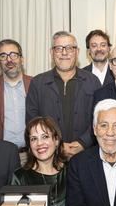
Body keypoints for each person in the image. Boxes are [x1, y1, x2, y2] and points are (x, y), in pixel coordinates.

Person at [26, 30, 101, 160]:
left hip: (85, 155)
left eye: (69, 48)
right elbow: (32, 121)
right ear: (51, 52)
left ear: (77, 52)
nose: (64, 53)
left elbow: (99, 118)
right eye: (59, 48)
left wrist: (83, 142)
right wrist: (56, 144)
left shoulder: (92, 81)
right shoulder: (38, 83)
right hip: (48, 157)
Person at [0, 39, 33, 156]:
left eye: (13, 55)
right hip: (0, 154)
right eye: (3, 56)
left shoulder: (35, 83)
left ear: (22, 59)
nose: (9, 60)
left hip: (31, 154)